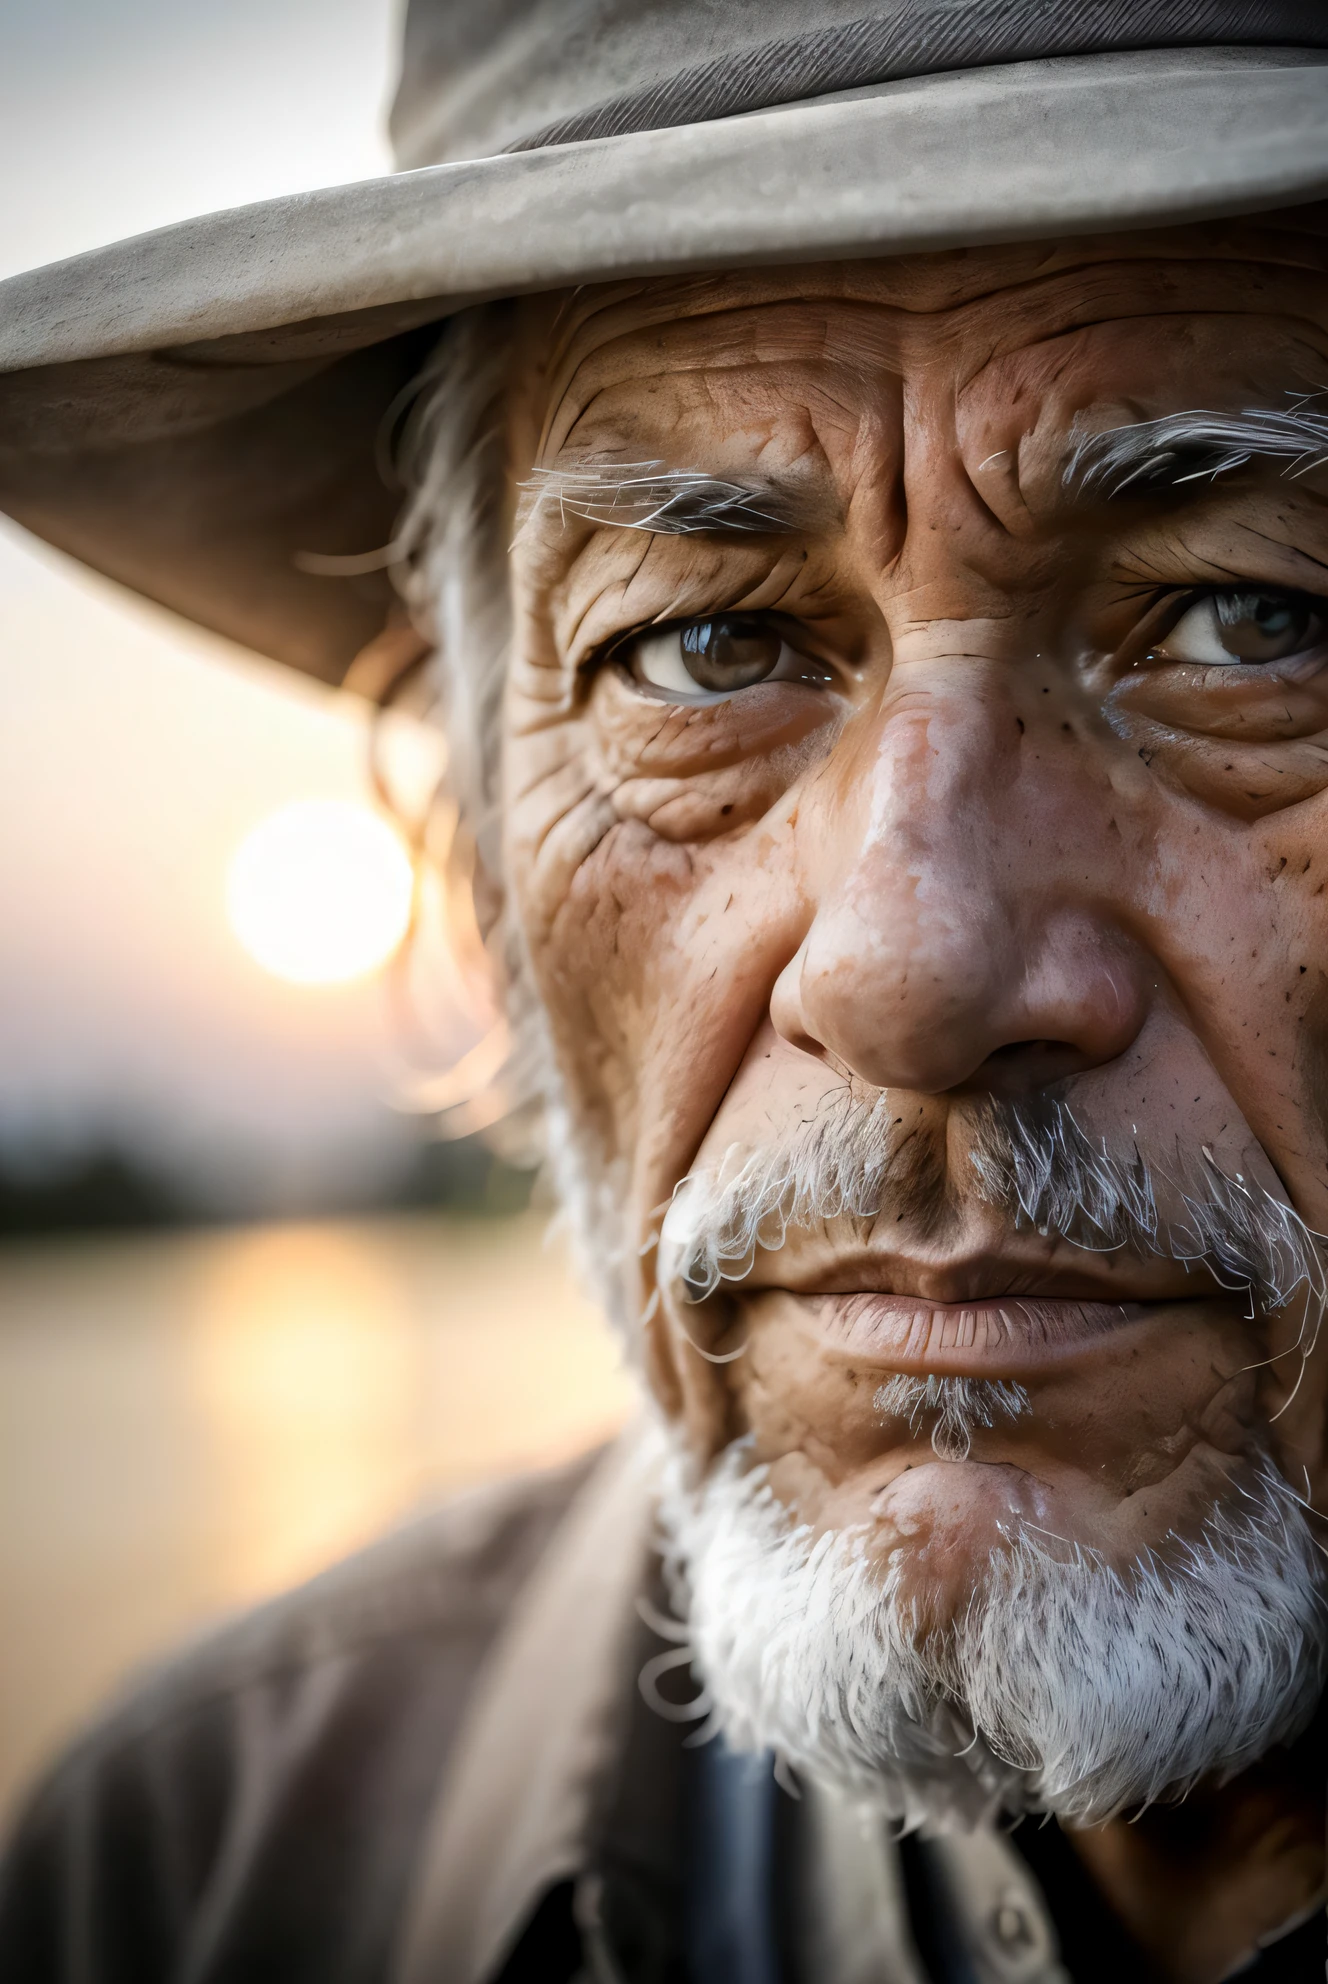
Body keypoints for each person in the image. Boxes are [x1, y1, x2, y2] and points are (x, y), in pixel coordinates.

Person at [3, 5, 1328, 1979]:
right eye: (700, 646)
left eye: (1251, 618)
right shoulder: (189, 1873)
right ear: (462, 829)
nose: (909, 964)